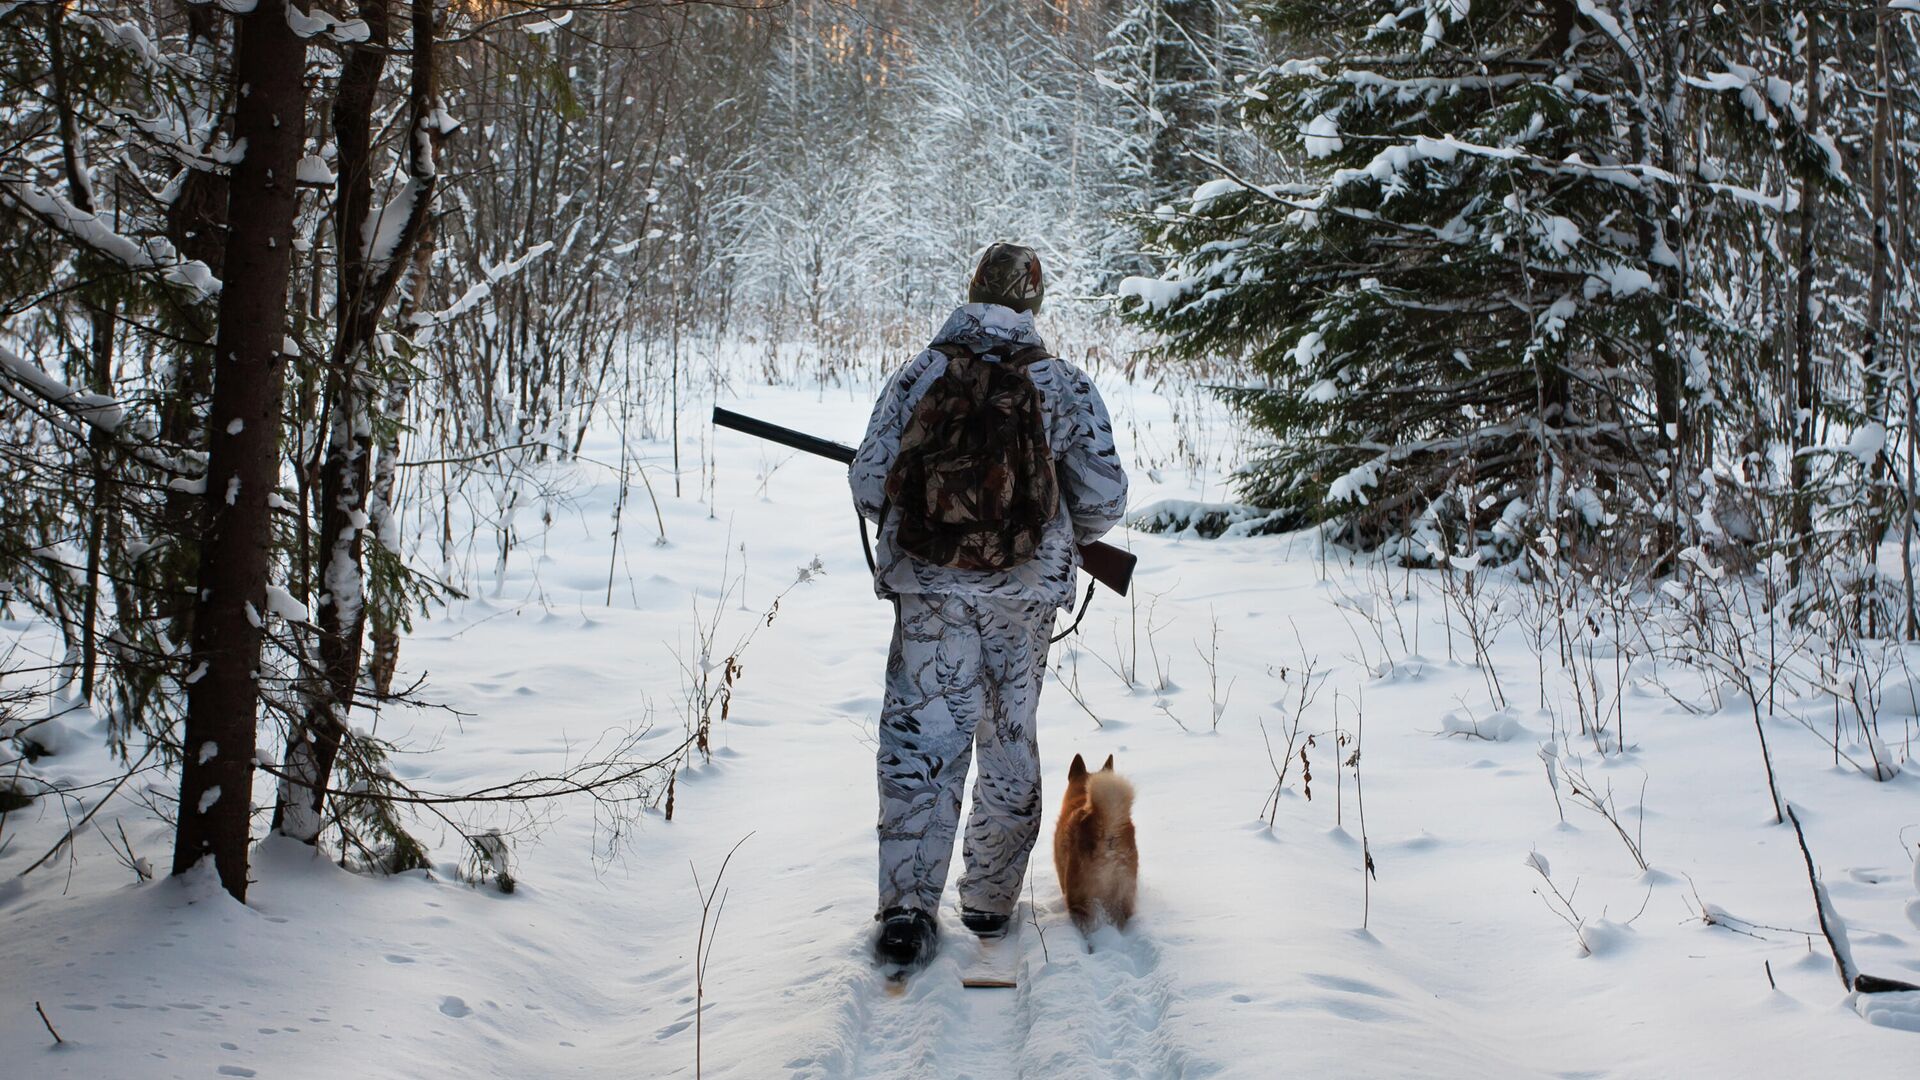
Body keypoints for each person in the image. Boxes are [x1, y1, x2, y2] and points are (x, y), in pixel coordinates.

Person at [848, 243, 1129, 969]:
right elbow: (1104, 496)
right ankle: (990, 901)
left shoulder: (920, 374)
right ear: (1033, 305)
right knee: (1008, 738)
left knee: (920, 743)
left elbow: (869, 481)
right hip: (1023, 599)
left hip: (930, 595)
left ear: (971, 289)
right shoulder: (1063, 385)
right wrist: (1050, 536)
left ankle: (908, 912)